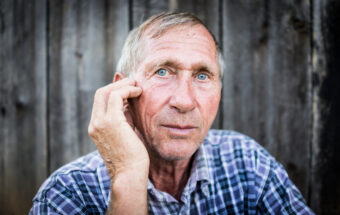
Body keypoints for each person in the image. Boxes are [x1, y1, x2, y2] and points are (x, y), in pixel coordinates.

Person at [30, 12, 314, 214]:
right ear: (123, 91)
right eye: (163, 71)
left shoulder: (247, 163)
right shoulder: (67, 193)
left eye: (203, 75)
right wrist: (128, 176)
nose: (185, 101)